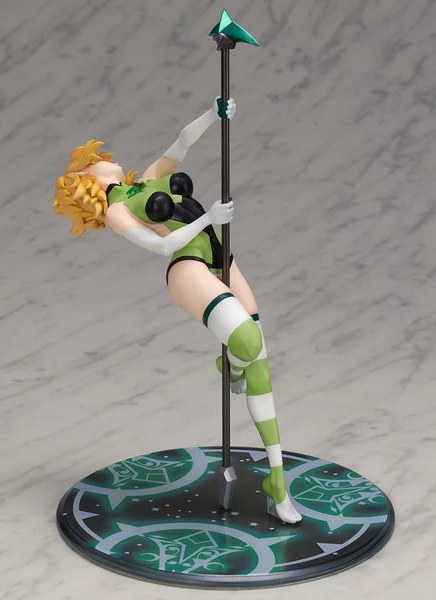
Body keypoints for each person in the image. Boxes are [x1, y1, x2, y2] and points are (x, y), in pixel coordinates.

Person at [53, 97, 302, 524]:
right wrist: (209, 218)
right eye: (95, 161)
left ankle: (277, 480)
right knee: (247, 342)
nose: (105, 158)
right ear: (86, 179)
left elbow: (182, 141)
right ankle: (233, 366)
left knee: (260, 363)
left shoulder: (149, 178)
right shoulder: (117, 211)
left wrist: (214, 113)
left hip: (223, 256)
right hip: (188, 267)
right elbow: (162, 244)